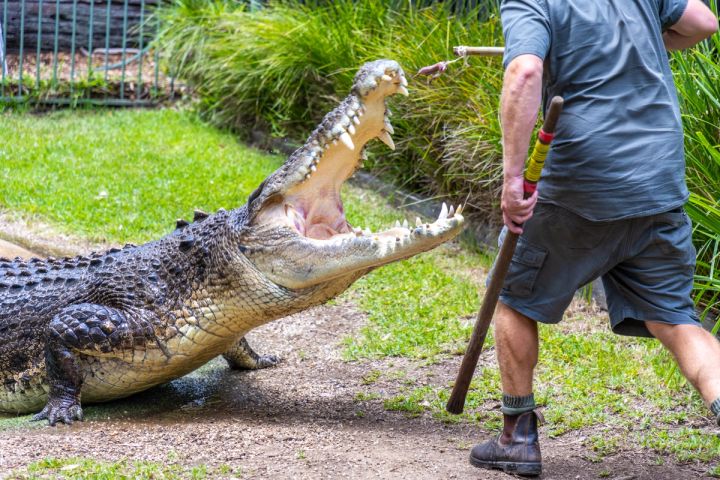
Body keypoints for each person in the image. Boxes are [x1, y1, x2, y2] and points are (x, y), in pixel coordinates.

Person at [469, 0, 719, 476]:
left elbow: (524, 73)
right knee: (676, 319)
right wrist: (642, 47)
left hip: (583, 181)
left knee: (514, 298)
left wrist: (511, 180)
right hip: (657, 176)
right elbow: (703, 22)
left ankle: (517, 437)